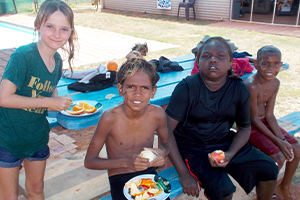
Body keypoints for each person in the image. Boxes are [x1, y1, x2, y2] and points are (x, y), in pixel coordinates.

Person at [166, 36, 279, 200]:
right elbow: (166, 130)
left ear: (230, 63)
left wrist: (230, 153)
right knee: (223, 189)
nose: (213, 60)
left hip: (225, 142)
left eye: (220, 56)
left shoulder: (239, 89)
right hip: (193, 148)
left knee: (269, 168)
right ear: (197, 62)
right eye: (206, 56)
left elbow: (245, 127)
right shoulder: (187, 88)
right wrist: (184, 174)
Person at [0, 0, 77, 199]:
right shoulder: (23, 56)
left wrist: (59, 104)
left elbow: (50, 92)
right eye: (50, 26)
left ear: (70, 32)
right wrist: (48, 102)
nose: (57, 34)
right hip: (7, 138)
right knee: (9, 195)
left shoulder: (58, 61)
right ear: (38, 26)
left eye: (64, 29)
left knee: (36, 190)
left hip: (36, 137)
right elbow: (4, 98)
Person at [84, 58, 170, 200]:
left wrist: (161, 152)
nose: (138, 93)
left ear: (153, 92)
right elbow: (90, 161)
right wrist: (126, 162)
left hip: (149, 175)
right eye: (131, 87)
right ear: (120, 89)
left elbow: (167, 143)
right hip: (120, 176)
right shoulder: (109, 118)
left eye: (145, 88)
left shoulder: (157, 114)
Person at [244, 45, 300, 200]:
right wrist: (279, 141)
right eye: (266, 63)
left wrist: (282, 139)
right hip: (249, 126)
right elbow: (254, 119)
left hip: (265, 122)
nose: (271, 68)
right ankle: (265, 193)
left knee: (296, 148)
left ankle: (283, 187)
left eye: (276, 64)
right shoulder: (251, 85)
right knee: (278, 157)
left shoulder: (275, 83)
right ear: (256, 64)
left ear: (281, 65)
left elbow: (270, 115)